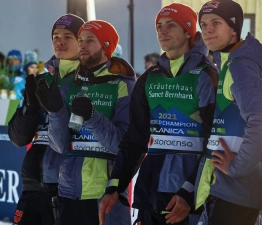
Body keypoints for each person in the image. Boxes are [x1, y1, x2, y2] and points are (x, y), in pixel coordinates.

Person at [99, 3, 218, 225]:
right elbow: (135, 139)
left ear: (188, 31)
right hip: (150, 191)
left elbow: (215, 142)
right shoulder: (149, 78)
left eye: (171, 25)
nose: (162, 31)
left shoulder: (206, 75)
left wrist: (190, 191)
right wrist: (116, 184)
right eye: (159, 26)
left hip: (185, 198)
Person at [36, 20, 136, 225]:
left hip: (107, 194)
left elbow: (123, 145)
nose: (82, 45)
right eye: (80, 40)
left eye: (90, 40)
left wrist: (92, 117)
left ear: (107, 46)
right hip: (69, 191)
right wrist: (55, 113)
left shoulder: (123, 85)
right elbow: (59, 145)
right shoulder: (70, 85)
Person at [8, 13, 85, 225]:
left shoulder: (88, 82)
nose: (59, 42)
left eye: (67, 37)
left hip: (65, 187)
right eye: (55, 37)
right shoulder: (42, 80)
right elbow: (17, 138)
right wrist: (30, 109)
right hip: (32, 184)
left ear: (82, 42)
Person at [195, 1, 262, 224]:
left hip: (235, 192)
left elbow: (259, 118)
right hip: (235, 190)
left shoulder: (240, 64)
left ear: (234, 28)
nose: (207, 30)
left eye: (216, 23)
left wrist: (237, 167)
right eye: (203, 25)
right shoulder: (236, 59)